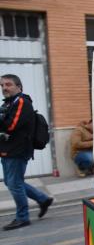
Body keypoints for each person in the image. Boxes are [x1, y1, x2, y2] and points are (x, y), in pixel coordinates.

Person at [0, 74, 53, 231]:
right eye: (2, 85)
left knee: (14, 183)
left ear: (19, 87)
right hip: (7, 149)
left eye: (8, 84)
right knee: (12, 182)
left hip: (17, 150)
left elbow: (10, 126)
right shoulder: (9, 103)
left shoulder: (22, 101)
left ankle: (22, 217)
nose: (4, 88)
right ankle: (42, 199)